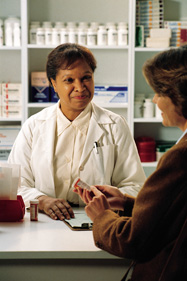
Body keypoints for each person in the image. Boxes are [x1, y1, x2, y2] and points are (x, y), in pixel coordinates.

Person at [74, 45, 187, 281]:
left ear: (179, 95)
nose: (154, 99)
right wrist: (126, 203)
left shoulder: (179, 157)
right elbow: (171, 213)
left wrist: (102, 216)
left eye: (159, 92)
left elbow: (133, 241)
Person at [8, 43, 146, 221]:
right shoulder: (34, 126)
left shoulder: (115, 125)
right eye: (69, 80)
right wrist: (42, 200)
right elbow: (15, 186)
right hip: (44, 221)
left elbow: (135, 185)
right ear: (53, 84)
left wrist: (109, 198)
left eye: (86, 78)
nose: (80, 87)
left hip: (99, 222)